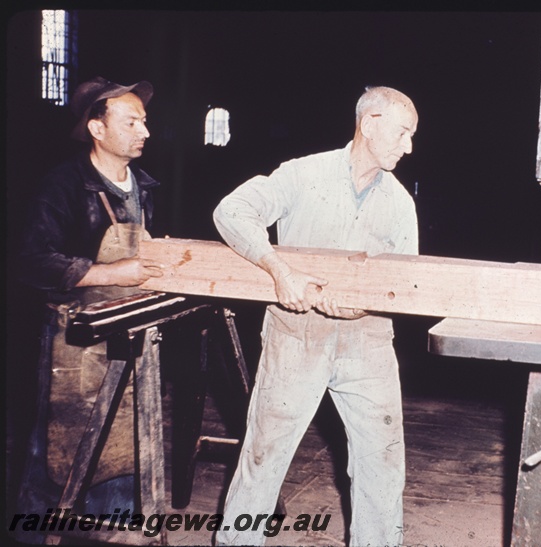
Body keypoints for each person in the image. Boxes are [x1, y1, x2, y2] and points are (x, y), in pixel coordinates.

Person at [213, 86, 419, 546]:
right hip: (296, 336)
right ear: (369, 124)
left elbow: (404, 282)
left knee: (383, 460)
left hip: (368, 342)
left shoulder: (400, 203)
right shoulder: (303, 175)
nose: (409, 146)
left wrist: (364, 304)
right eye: (403, 133)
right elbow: (232, 211)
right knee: (264, 454)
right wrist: (280, 271)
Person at [16, 76, 163, 518]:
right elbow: (31, 260)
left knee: (122, 438)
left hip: (127, 326)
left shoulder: (143, 186)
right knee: (63, 442)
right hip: (74, 339)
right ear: (97, 129)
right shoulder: (63, 185)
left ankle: (112, 522)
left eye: (145, 121)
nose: (145, 131)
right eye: (132, 122)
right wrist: (111, 271)